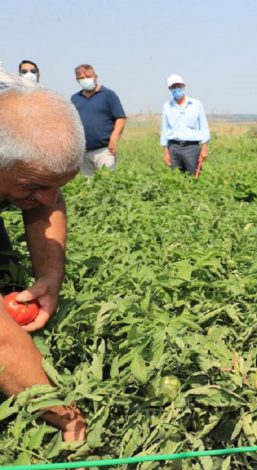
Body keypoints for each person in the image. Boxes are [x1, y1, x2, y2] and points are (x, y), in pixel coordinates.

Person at [0, 72, 87, 442]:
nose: (49, 200)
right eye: (33, 186)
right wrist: (65, 415)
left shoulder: (14, 102)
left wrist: (49, 276)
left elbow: (43, 185)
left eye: (57, 187)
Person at [70, 64, 126, 177]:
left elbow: (120, 118)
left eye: (88, 76)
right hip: (83, 152)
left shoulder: (108, 95)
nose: (85, 80)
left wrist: (114, 137)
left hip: (104, 151)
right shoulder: (75, 99)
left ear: (95, 76)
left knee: (106, 183)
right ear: (77, 80)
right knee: (87, 186)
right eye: (81, 78)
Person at [160, 74, 210, 176]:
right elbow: (164, 130)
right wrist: (166, 152)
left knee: (194, 178)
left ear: (184, 86)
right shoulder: (167, 106)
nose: (176, 89)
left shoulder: (196, 104)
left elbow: (204, 127)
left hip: (192, 148)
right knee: (175, 179)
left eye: (179, 85)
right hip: (173, 147)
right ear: (170, 88)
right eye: (173, 87)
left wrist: (204, 148)